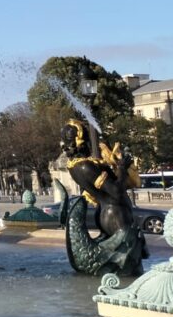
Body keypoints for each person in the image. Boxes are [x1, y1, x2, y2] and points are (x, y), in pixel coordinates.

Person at [60, 118, 148, 276]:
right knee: (127, 269)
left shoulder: (77, 165)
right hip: (115, 215)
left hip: (108, 212)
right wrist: (122, 168)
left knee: (124, 267)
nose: (90, 143)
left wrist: (113, 164)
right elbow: (116, 192)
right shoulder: (85, 166)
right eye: (88, 138)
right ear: (81, 142)